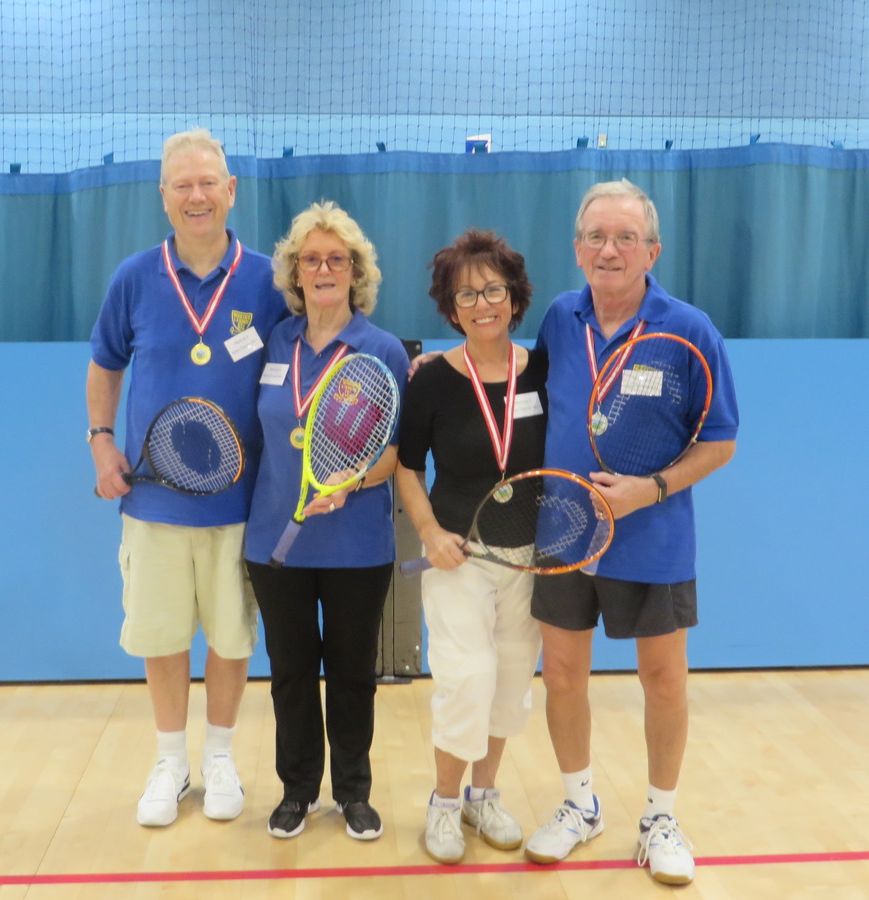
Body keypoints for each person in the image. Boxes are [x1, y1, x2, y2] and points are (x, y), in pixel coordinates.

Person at [523, 179, 739, 885]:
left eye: (624, 238)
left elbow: (721, 440)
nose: (608, 250)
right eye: (595, 237)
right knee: (561, 672)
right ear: (577, 249)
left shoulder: (689, 330)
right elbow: (524, 390)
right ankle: (580, 805)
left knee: (663, 678)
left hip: (655, 538)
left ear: (653, 249)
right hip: (563, 532)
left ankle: (660, 817)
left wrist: (651, 490)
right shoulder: (560, 317)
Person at [87, 128, 288, 828]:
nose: (197, 195)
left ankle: (222, 757)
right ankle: (171, 761)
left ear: (231, 191)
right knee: (163, 634)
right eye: (183, 185)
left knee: (231, 638)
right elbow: (106, 364)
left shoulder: (268, 280)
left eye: (209, 183)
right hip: (153, 502)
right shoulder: (135, 278)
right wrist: (101, 443)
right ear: (164, 197)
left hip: (243, 502)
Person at [242, 201, 409, 842]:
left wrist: (350, 481)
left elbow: (395, 452)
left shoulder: (382, 350)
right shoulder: (270, 344)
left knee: (351, 674)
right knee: (289, 671)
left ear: (355, 272)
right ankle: (296, 791)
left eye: (336, 259)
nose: (322, 269)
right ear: (294, 272)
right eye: (310, 259)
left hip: (356, 544)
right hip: (274, 541)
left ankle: (353, 792)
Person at [396, 230, 547, 865]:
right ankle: (445, 803)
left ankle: (486, 794)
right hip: (458, 554)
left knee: (511, 679)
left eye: (493, 290)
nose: (482, 303)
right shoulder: (431, 379)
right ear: (450, 308)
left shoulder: (543, 369)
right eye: (467, 294)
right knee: (467, 678)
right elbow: (407, 469)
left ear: (514, 299)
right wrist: (430, 533)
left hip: (530, 559)